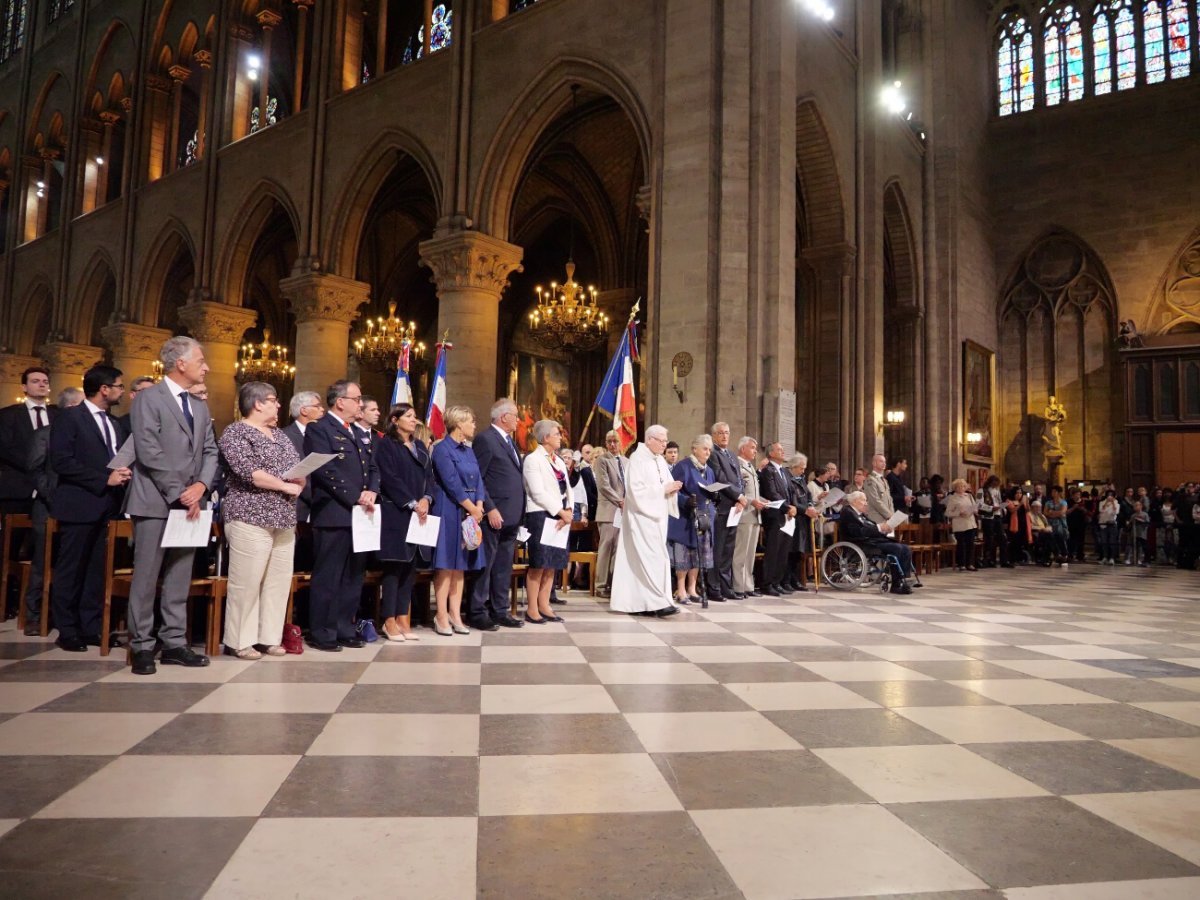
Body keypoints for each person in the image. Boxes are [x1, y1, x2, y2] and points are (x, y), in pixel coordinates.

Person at [124, 337, 218, 674]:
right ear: (181, 363)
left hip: (191, 501)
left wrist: (201, 486)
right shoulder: (149, 398)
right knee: (147, 576)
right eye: (201, 360)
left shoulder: (199, 404)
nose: (206, 367)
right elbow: (148, 451)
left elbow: (210, 450)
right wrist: (181, 492)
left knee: (181, 574)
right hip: (155, 500)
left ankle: (175, 642)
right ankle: (142, 645)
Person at [46, 365, 131, 651]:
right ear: (104, 389)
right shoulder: (70, 418)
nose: (121, 390)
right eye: (118, 386)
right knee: (71, 568)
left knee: (97, 570)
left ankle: (91, 627)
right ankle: (67, 629)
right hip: (79, 504)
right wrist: (104, 478)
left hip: (108, 506)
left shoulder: (115, 423)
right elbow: (62, 461)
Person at [217, 381, 303, 659]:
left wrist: (300, 478)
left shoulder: (279, 435)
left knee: (277, 582)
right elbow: (249, 471)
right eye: (274, 400)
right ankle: (239, 640)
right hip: (249, 514)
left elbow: (294, 466)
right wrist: (283, 485)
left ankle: (269, 637)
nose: (279, 405)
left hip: (283, 516)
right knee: (247, 581)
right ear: (257, 404)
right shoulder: (236, 432)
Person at [304, 380, 379, 652]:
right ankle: (323, 631)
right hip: (334, 512)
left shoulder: (357, 432)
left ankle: (345, 627)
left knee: (353, 575)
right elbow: (325, 471)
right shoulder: (320, 429)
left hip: (361, 513)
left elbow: (372, 465)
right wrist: (355, 496)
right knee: (329, 575)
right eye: (356, 399)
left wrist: (371, 490)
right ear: (340, 402)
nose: (360, 403)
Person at [0, 366, 56, 630]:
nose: (41, 385)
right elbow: (5, 448)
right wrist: (35, 465)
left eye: (44, 381)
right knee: (9, 549)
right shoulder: (9, 415)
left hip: (48, 493)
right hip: (17, 489)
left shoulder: (58, 414)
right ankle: (8, 599)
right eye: (35, 381)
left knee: (41, 550)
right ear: (24, 387)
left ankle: (37, 604)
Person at [609, 425, 682, 617]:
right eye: (662, 441)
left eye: (666, 441)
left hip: (657, 519)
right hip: (642, 518)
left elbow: (665, 483)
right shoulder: (638, 459)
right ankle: (657, 602)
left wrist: (673, 488)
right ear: (649, 439)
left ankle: (646, 603)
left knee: (657, 559)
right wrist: (663, 490)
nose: (665, 445)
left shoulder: (659, 460)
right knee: (650, 559)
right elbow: (635, 491)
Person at [376, 403, 434, 641]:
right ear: (395, 420)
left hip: (420, 512)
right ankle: (388, 619)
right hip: (397, 513)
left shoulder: (419, 446)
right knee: (394, 568)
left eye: (414, 415)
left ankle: (403, 617)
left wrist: (427, 499)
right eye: (408, 416)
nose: (414, 419)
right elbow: (390, 478)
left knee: (410, 568)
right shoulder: (386, 445)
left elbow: (430, 477)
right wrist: (411, 503)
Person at [468, 398, 526, 631]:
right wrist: (490, 507)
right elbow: (478, 477)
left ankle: (499, 610)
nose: (518, 419)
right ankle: (477, 610)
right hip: (494, 514)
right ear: (504, 417)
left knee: (503, 566)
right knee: (487, 565)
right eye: (515, 415)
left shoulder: (509, 441)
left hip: (512, 515)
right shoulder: (485, 439)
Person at [430, 405, 488, 635]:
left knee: (461, 565)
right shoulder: (442, 449)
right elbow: (451, 482)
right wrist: (472, 507)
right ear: (458, 424)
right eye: (471, 421)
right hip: (450, 509)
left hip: (471, 511)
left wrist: (480, 504)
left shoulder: (469, 450)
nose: (474, 425)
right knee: (446, 565)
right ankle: (441, 615)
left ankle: (456, 614)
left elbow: (479, 480)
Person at [520, 419, 573, 623]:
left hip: (560, 515)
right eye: (557, 434)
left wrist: (568, 509)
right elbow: (537, 492)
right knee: (539, 563)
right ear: (545, 438)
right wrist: (560, 511)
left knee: (552, 563)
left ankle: (545, 604)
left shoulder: (558, 460)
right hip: (541, 514)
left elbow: (567, 488)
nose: (560, 437)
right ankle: (532, 608)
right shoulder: (533, 460)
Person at [668, 435, 716, 604]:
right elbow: (674, 490)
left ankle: (692, 588)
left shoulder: (709, 470)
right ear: (695, 449)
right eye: (705, 449)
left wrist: (714, 494)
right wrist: (685, 500)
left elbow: (710, 487)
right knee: (684, 555)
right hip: (685, 517)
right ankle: (680, 590)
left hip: (703, 517)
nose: (708, 452)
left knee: (698, 555)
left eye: (709, 450)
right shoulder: (683, 466)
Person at [838, 491, 915, 594]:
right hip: (861, 543)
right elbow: (858, 532)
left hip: (871, 540)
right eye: (864, 500)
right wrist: (879, 527)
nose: (866, 503)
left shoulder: (860, 514)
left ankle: (903, 578)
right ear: (855, 501)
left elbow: (870, 527)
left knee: (905, 548)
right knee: (897, 549)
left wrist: (884, 529)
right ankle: (897, 584)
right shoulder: (848, 512)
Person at [705, 422, 748, 602]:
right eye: (721, 433)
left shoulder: (731, 454)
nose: (724, 436)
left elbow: (739, 479)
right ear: (714, 436)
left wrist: (741, 498)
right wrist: (739, 496)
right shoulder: (713, 454)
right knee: (718, 548)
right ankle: (713, 588)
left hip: (735, 507)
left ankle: (726, 586)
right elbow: (720, 478)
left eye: (727, 433)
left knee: (728, 550)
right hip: (721, 507)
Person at [758, 441, 797, 597]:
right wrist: (787, 507)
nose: (783, 451)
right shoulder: (768, 471)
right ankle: (767, 583)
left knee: (783, 551)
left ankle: (777, 581)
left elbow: (791, 490)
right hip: (775, 516)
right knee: (773, 551)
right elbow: (772, 493)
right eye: (779, 450)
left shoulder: (785, 472)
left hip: (788, 516)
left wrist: (793, 506)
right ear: (771, 453)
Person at [592, 431, 627, 597]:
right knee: (606, 547)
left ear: (621, 443)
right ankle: (600, 585)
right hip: (609, 510)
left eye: (615, 441)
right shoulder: (602, 460)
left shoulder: (627, 461)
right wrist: (620, 501)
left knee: (619, 549)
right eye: (609, 441)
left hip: (625, 510)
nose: (612, 445)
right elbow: (604, 486)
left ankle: (614, 584)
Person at [733, 436, 767, 597]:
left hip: (755, 514)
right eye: (752, 447)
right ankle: (738, 586)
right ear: (742, 449)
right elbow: (739, 492)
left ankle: (748, 585)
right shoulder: (737, 466)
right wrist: (752, 501)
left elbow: (754, 492)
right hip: (745, 514)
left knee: (750, 553)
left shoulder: (751, 467)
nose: (755, 451)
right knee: (741, 552)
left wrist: (762, 501)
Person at [786, 454, 820, 592]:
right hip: (794, 518)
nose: (803, 471)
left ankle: (797, 580)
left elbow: (808, 496)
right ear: (793, 467)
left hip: (804, 520)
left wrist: (811, 506)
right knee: (791, 551)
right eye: (801, 468)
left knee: (800, 552)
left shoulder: (801, 480)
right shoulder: (788, 480)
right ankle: (787, 580)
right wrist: (805, 510)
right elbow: (792, 501)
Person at [945, 478, 979, 571]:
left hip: (970, 522)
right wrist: (958, 513)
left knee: (970, 544)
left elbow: (975, 507)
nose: (962, 488)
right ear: (955, 488)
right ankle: (962, 564)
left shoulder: (969, 496)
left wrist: (974, 510)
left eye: (963, 486)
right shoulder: (953, 498)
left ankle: (970, 564)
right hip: (959, 523)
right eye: (959, 486)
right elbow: (947, 513)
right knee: (961, 545)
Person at [977, 475, 1008, 568]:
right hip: (988, 517)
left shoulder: (997, 491)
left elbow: (999, 501)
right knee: (990, 539)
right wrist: (991, 508)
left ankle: (1004, 561)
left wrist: (1003, 507)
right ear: (991, 482)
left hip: (998, 516)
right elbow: (978, 504)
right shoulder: (981, 491)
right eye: (995, 484)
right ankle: (989, 560)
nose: (996, 486)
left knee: (1002, 538)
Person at [864, 454, 895, 526]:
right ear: (874, 463)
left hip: (888, 520)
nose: (884, 464)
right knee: (879, 537)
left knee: (890, 537)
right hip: (877, 518)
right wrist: (889, 515)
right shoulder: (870, 479)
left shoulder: (884, 480)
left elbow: (889, 499)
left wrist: (892, 515)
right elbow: (875, 500)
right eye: (881, 461)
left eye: (885, 462)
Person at [1096, 489, 1120, 565]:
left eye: (1111, 495)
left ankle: (1112, 558)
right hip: (1103, 524)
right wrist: (1106, 502)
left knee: (1112, 542)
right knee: (1104, 542)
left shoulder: (1117, 503)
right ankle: (1105, 557)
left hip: (1112, 524)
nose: (1109, 496)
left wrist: (1112, 502)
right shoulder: (1102, 502)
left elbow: (1116, 512)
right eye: (1108, 495)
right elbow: (1101, 510)